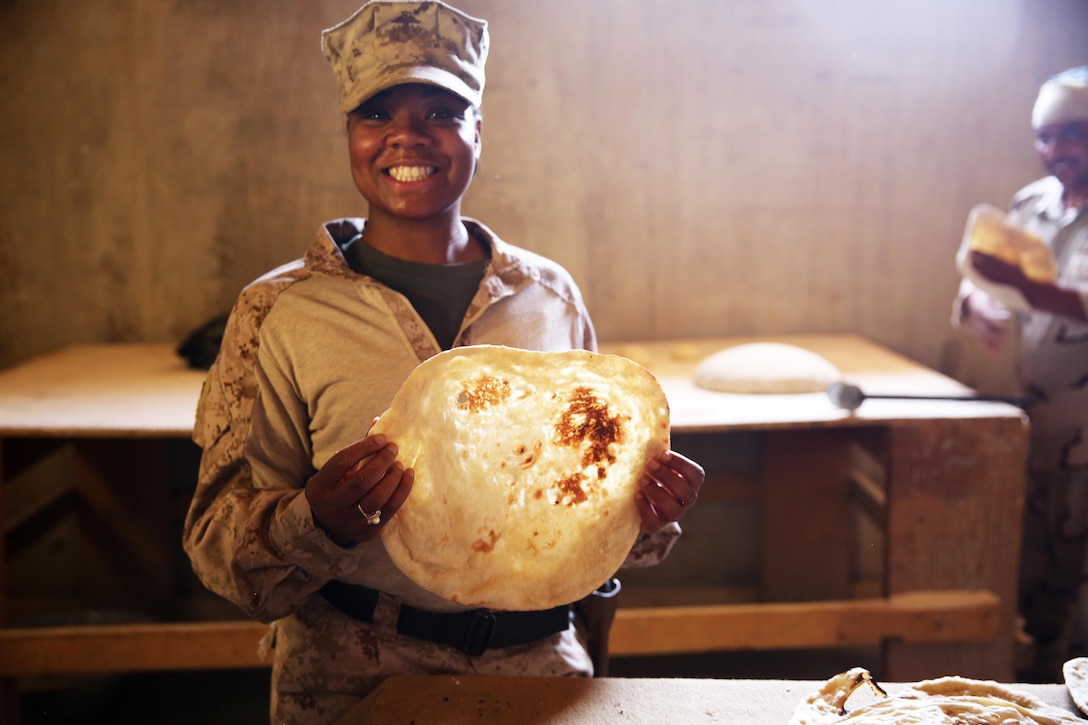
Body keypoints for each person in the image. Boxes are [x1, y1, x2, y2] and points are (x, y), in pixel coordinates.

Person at [181, 2, 705, 722]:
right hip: (352, 679)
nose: (407, 135)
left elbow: (593, 515)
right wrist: (317, 519)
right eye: (376, 114)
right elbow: (217, 549)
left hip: (543, 673)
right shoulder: (280, 311)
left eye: (440, 111)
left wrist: (647, 514)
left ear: (477, 132)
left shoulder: (547, 297)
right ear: (349, 135)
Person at [953, 66, 1088, 682]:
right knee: (1038, 564)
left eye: (1074, 134)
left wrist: (1027, 290)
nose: (1057, 150)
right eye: (1047, 137)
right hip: (1037, 420)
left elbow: (1054, 293)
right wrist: (980, 300)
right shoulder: (1030, 203)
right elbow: (984, 277)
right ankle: (1044, 682)